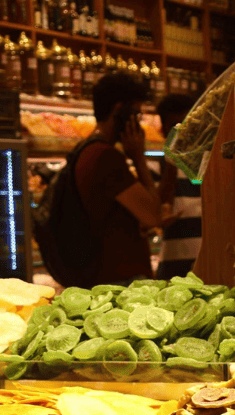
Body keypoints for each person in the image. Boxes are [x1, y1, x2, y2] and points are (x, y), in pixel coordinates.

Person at [69, 72, 162, 286]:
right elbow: (153, 216)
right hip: (120, 278)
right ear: (120, 110)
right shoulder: (105, 157)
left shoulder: (86, 150)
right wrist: (139, 157)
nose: (138, 123)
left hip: (105, 275)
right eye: (136, 114)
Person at [156, 93, 203, 279]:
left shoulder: (207, 165)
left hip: (206, 265)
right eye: (174, 127)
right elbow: (160, 208)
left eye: (186, 125)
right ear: (163, 130)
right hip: (172, 270)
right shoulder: (156, 167)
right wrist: (171, 159)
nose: (182, 133)